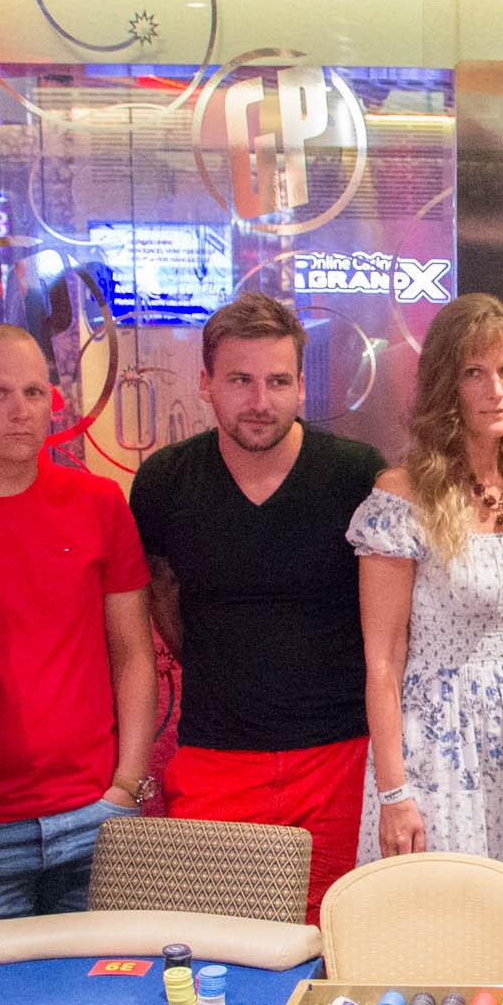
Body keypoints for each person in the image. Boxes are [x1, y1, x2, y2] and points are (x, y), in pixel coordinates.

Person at [349, 295, 503, 978]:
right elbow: (383, 659)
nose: (496, 389)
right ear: (445, 387)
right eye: (474, 373)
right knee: (447, 935)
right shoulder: (403, 496)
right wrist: (394, 792)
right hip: (437, 745)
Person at [129, 292, 386, 922]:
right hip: (216, 758)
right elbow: (161, 597)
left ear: (301, 386)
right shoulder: (164, 481)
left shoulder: (357, 475)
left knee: (336, 944)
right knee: (215, 945)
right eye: (240, 380)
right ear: (206, 383)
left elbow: (390, 625)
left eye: (278, 381)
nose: (260, 401)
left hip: (341, 757)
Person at [0, 325, 156, 918]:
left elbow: (134, 653)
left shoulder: (98, 502)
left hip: (94, 814)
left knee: (109, 977)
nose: (21, 411)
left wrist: (127, 784)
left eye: (34, 392)